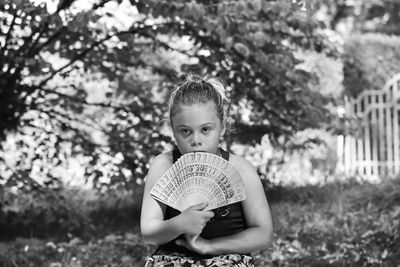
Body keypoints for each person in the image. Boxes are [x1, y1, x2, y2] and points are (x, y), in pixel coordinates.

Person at [140, 74, 273, 266]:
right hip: (172, 260)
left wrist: (209, 246)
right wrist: (179, 224)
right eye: (185, 131)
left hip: (227, 259)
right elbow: (149, 232)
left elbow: (263, 233)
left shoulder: (241, 169)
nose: (196, 140)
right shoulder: (163, 165)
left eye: (205, 129)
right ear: (172, 130)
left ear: (222, 127)